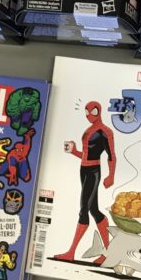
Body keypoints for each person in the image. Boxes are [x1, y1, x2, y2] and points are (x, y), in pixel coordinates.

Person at [53, 100, 116, 262]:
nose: (89, 115)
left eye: (92, 112)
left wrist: (111, 176)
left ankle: (71, 252)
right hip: (84, 171)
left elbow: (111, 156)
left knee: (84, 210)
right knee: (94, 210)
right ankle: (108, 254)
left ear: (99, 112)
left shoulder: (105, 132)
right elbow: (86, 156)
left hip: (93, 172)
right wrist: (74, 151)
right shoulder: (89, 130)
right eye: (86, 112)